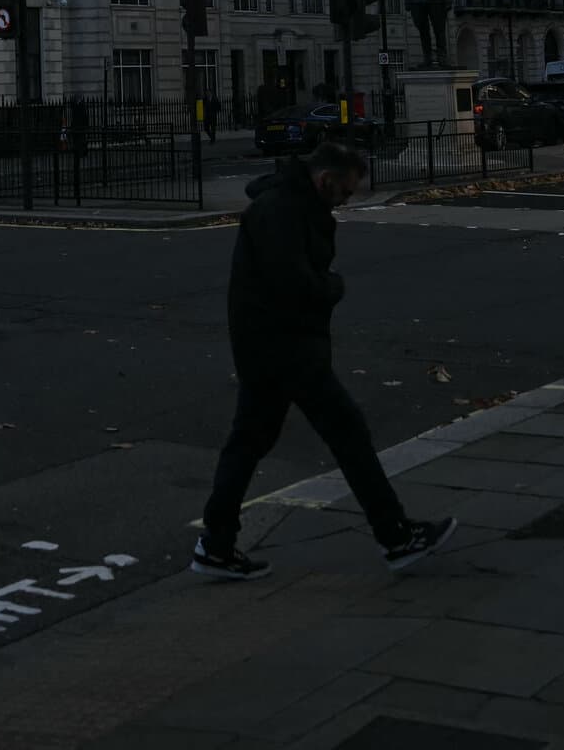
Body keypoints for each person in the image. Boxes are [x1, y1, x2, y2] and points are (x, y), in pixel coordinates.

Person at [191, 139, 455, 580]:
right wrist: (332, 286)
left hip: (272, 345)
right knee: (347, 432)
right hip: (285, 346)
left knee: (249, 441)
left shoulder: (294, 205)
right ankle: (395, 537)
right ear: (325, 179)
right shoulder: (279, 212)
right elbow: (294, 282)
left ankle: (216, 545)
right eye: (346, 192)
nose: (347, 200)